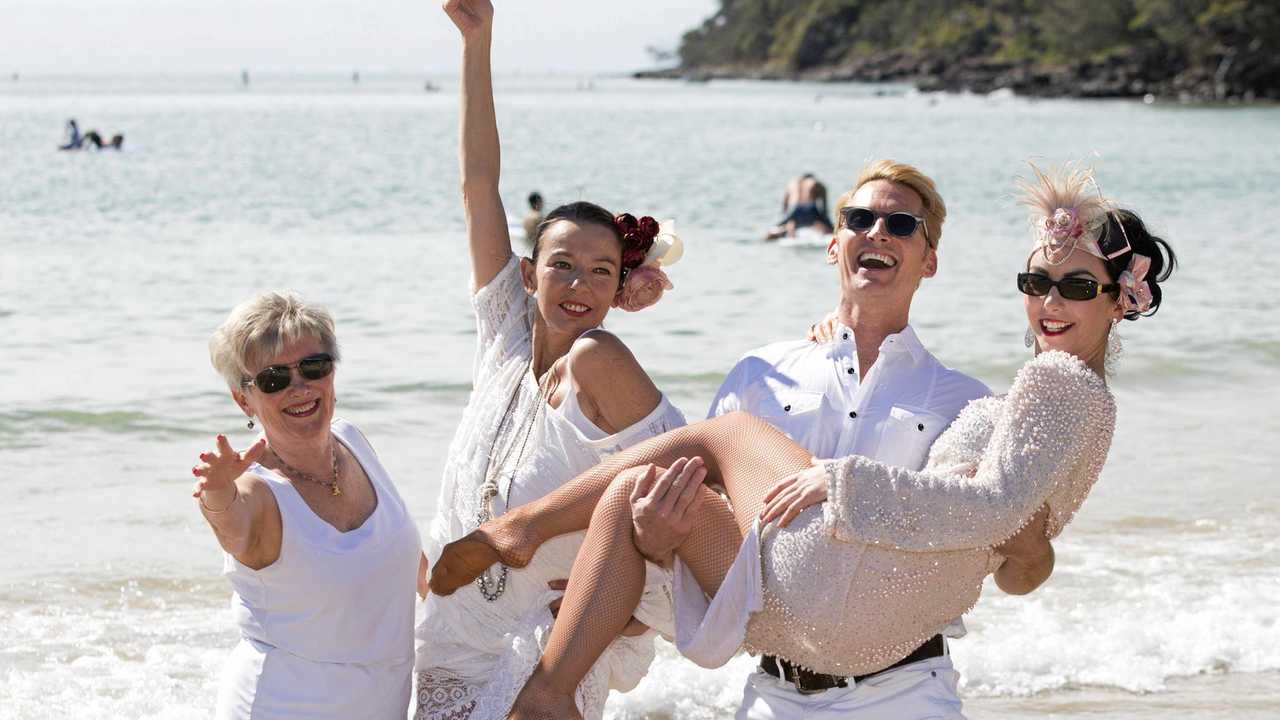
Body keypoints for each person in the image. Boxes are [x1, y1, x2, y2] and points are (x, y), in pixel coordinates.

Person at [430, 163, 1176, 720]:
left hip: (903, 683)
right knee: (643, 486)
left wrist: (1027, 547)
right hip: (775, 672)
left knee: (723, 436)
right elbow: (699, 533)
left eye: (902, 225)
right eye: (859, 219)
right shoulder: (762, 372)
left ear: (930, 259)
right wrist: (653, 543)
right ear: (833, 242)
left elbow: (1007, 550)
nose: (877, 233)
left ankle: (522, 546)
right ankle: (544, 679)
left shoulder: (968, 398)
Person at [414, 2, 686, 719]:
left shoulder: (602, 358)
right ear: (530, 273)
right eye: (563, 265)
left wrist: (624, 604)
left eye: (602, 271)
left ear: (618, 286)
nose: (580, 286)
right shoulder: (504, 332)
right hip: (446, 633)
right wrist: (478, 45)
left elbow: (685, 472)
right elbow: (478, 189)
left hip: (539, 644)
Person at [192, 292, 424, 719]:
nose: (299, 387)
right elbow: (233, 528)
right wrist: (217, 493)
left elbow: (409, 562)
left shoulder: (353, 441)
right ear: (244, 400)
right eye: (274, 379)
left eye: (314, 367)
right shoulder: (257, 490)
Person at [766, 173, 834, 240]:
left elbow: (785, 204)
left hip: (794, 208)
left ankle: (783, 232)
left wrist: (787, 218)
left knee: (789, 223)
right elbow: (824, 208)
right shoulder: (816, 183)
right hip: (811, 208)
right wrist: (826, 222)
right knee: (829, 228)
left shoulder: (792, 183)